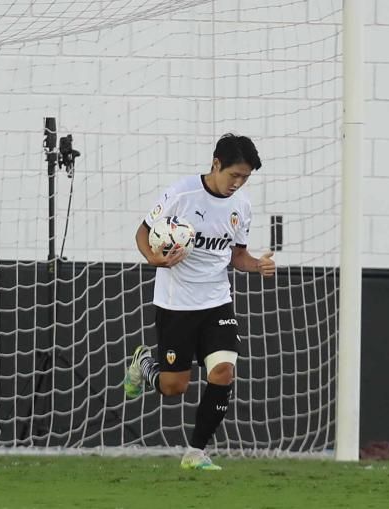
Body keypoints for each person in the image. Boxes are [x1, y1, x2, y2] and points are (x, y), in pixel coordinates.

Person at [123, 133, 274, 470]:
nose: (238, 183)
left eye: (245, 177)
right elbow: (142, 233)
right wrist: (154, 259)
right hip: (176, 303)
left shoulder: (241, 206)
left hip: (217, 301)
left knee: (223, 371)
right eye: (234, 174)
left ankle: (196, 453)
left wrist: (258, 265)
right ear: (216, 164)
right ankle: (143, 363)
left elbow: (238, 257)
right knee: (174, 386)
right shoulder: (181, 193)